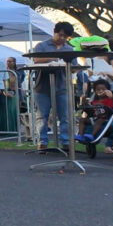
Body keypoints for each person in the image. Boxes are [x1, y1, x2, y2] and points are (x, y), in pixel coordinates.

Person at [31, 22, 76, 150]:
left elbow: (74, 67)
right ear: (54, 32)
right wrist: (54, 58)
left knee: (65, 116)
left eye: (65, 37)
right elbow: (36, 60)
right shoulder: (42, 46)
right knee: (42, 116)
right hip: (42, 87)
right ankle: (42, 142)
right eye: (60, 35)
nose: (62, 38)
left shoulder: (69, 49)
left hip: (62, 87)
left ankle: (66, 142)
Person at [75, 79, 113, 143]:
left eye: (103, 89)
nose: (101, 91)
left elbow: (110, 108)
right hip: (93, 118)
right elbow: (89, 109)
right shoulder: (94, 101)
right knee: (82, 120)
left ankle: (92, 135)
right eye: (98, 89)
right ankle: (80, 135)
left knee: (100, 120)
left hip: (104, 118)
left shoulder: (109, 100)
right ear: (95, 91)